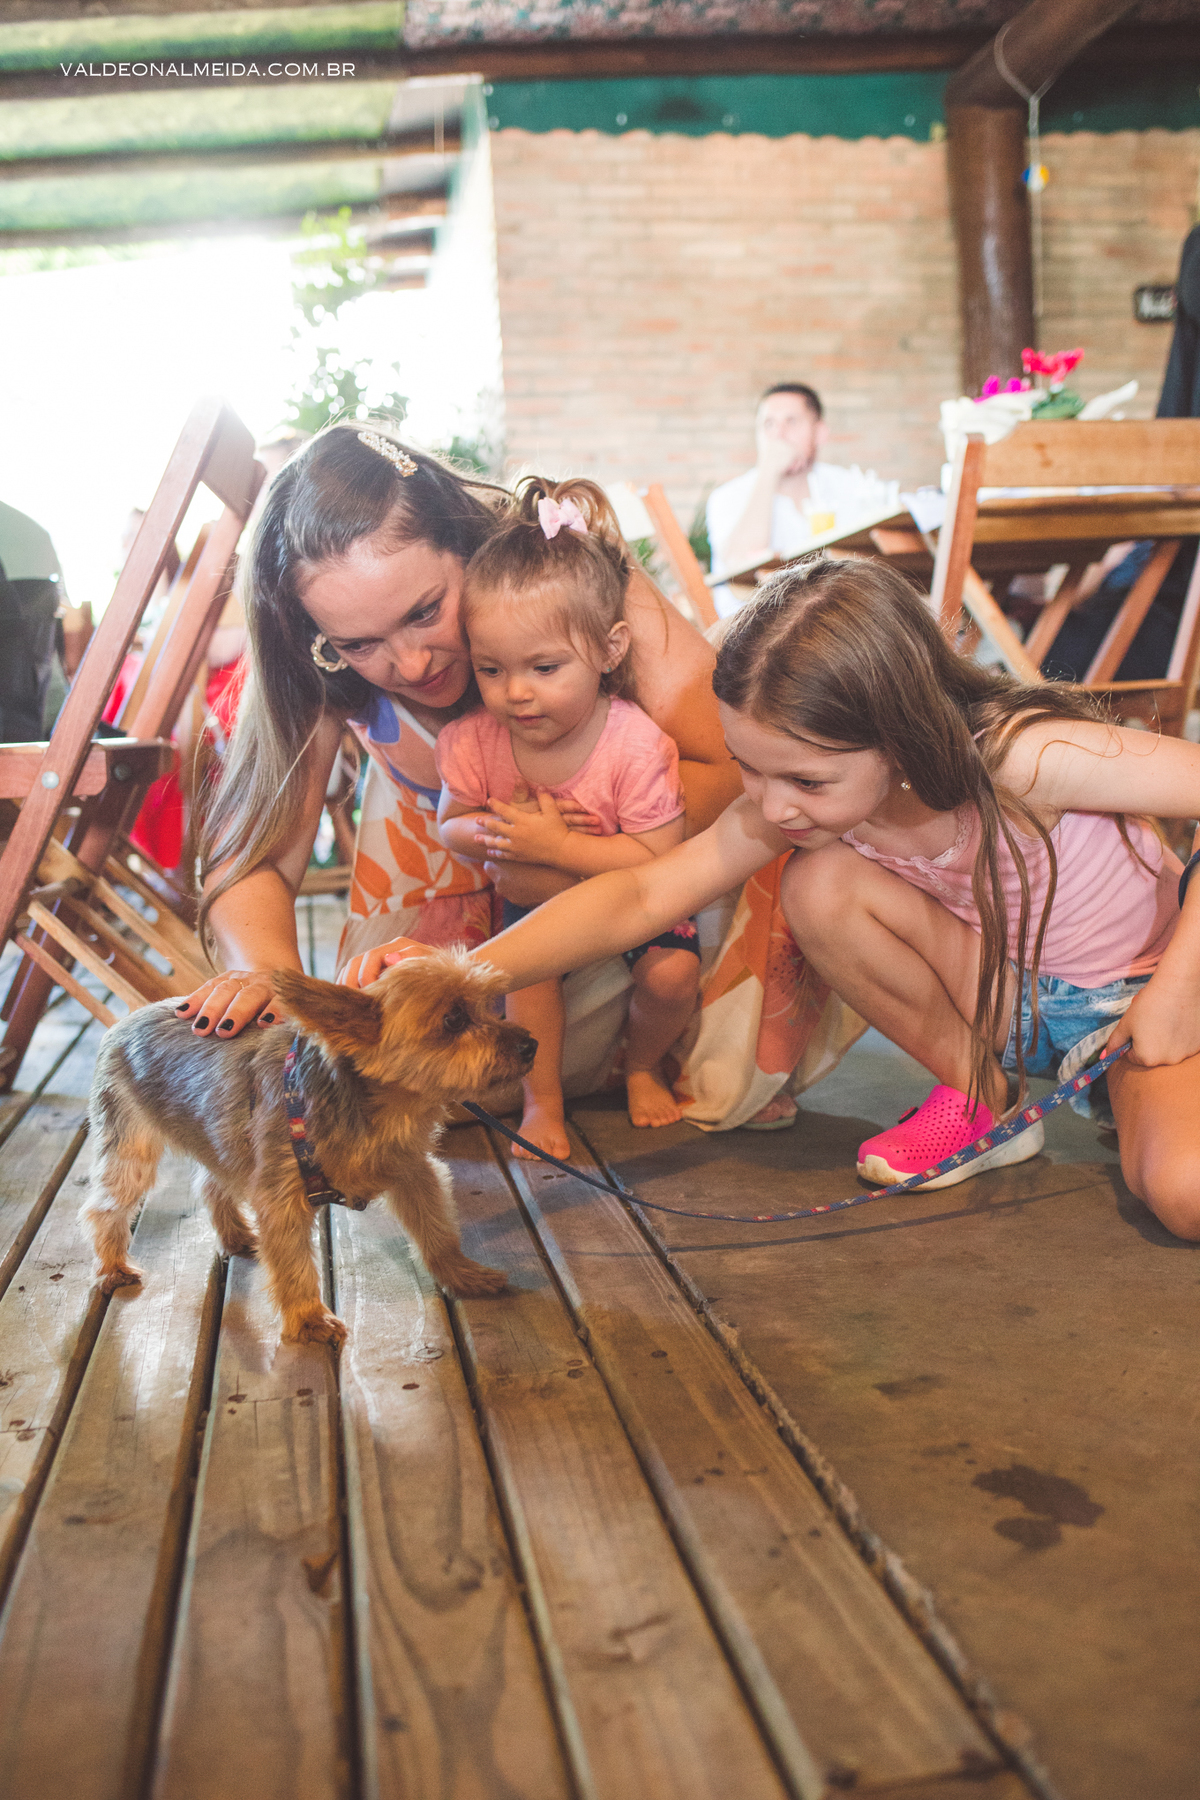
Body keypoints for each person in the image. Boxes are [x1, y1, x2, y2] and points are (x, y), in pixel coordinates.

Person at [346, 554, 1200, 1241]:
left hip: (1134, 1002)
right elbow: (641, 894)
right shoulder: (794, 801)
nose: (774, 805)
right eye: (751, 768)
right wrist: (462, 973)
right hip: (1006, 992)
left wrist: (1173, 993)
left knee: (1184, 1192)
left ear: (900, 737)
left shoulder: (1023, 758)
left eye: (806, 780)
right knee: (818, 882)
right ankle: (984, 1097)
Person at [180, 424, 860, 1131]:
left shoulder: (557, 566)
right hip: (481, 880)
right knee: (419, 1073)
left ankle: (651, 1050)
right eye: (358, 644)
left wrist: (567, 848)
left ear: (465, 545)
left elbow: (729, 768)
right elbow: (255, 855)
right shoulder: (315, 661)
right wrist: (267, 975)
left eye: (425, 613)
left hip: (652, 865)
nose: (410, 664)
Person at [437, 476, 701, 1157]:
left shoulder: (635, 744)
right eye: (491, 670)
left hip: (636, 897)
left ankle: (642, 1065)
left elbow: (659, 858)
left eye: (545, 667)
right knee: (526, 973)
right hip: (535, 899)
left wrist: (553, 845)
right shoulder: (475, 740)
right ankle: (543, 1104)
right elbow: (451, 824)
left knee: (672, 978)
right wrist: (501, 835)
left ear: (610, 650)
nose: (516, 693)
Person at [706, 384, 898, 617]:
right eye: (768, 424)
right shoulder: (727, 497)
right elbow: (737, 565)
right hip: (758, 623)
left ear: (820, 432)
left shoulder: (850, 486)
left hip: (839, 620)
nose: (778, 435)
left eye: (792, 422)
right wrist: (768, 472)